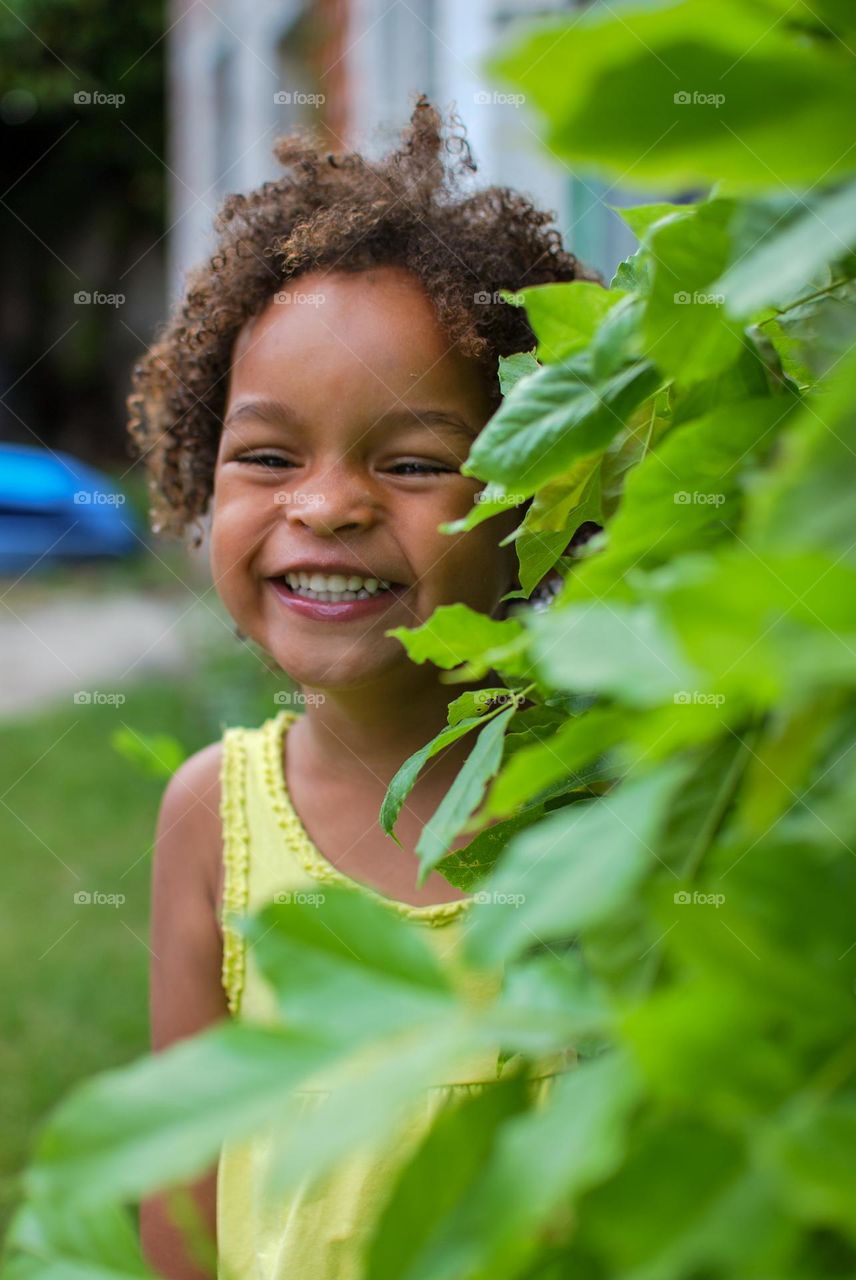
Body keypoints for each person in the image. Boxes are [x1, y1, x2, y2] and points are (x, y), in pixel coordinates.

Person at [130, 96, 594, 1280]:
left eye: (412, 462)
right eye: (270, 455)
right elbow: (178, 1205)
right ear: (203, 471)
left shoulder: (609, 798)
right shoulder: (212, 823)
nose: (327, 506)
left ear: (536, 494)